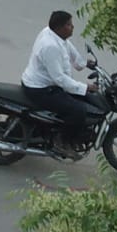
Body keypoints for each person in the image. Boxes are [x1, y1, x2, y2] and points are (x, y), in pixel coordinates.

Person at [21, 10, 97, 149]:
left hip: (47, 83)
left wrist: (84, 63)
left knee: (84, 98)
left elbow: (69, 48)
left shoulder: (54, 35)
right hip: (40, 89)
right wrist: (85, 87)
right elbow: (60, 79)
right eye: (69, 25)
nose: (72, 27)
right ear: (59, 28)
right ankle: (61, 141)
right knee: (78, 110)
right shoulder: (50, 46)